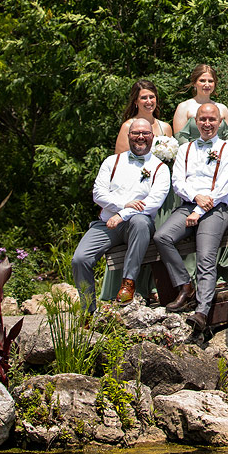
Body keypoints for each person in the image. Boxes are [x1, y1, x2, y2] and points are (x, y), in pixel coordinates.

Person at [153, 101, 228, 334]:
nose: (207, 124)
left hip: (215, 209)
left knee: (205, 256)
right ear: (196, 122)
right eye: (203, 119)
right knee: (162, 237)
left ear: (220, 122)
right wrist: (195, 200)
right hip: (189, 204)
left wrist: (200, 210)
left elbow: (223, 187)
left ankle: (202, 311)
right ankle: (185, 286)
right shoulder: (186, 149)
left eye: (212, 120)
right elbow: (178, 181)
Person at [72, 118, 170, 312]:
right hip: (106, 223)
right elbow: (98, 194)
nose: (140, 137)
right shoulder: (112, 162)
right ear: (129, 136)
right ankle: (87, 312)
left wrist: (123, 214)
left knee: (142, 223)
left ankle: (128, 282)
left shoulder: (160, 168)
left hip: (136, 223)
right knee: (80, 259)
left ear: (153, 137)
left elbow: (153, 203)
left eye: (145, 133)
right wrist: (122, 205)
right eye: (135, 133)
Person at [173, 65, 228, 144]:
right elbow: (180, 139)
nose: (207, 84)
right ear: (194, 83)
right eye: (202, 80)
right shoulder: (184, 107)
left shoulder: (223, 108)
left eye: (210, 81)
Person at [114, 80, 172, 153]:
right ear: (135, 101)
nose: (149, 101)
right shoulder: (127, 127)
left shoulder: (165, 127)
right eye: (144, 98)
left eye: (151, 97)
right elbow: (119, 158)